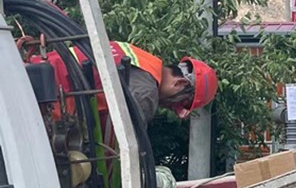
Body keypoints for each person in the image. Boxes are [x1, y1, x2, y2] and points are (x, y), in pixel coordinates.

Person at [33, 40, 218, 127]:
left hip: (35, 70)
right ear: (180, 84)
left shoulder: (142, 58)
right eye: (180, 102)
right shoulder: (146, 93)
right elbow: (126, 145)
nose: (170, 106)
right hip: (42, 100)